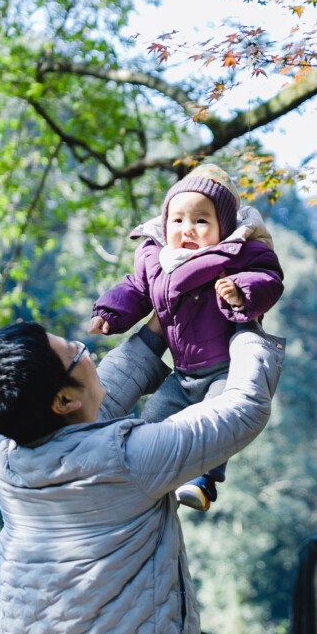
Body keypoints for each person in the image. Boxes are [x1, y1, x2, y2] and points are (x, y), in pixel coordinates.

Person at [0, 309, 283, 634]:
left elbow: (98, 401)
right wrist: (247, 324)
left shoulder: (5, 453)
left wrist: (165, 315)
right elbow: (242, 409)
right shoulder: (127, 460)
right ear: (64, 400)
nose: (88, 352)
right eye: (75, 353)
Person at [90, 163, 284, 511]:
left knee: (217, 417)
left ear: (223, 227)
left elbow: (269, 278)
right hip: (182, 375)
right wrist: (110, 313)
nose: (187, 229)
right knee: (152, 421)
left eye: (201, 220)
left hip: (224, 370)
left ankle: (203, 480)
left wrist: (240, 291)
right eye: (177, 220)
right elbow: (136, 290)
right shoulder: (156, 259)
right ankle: (137, 481)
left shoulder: (238, 254)